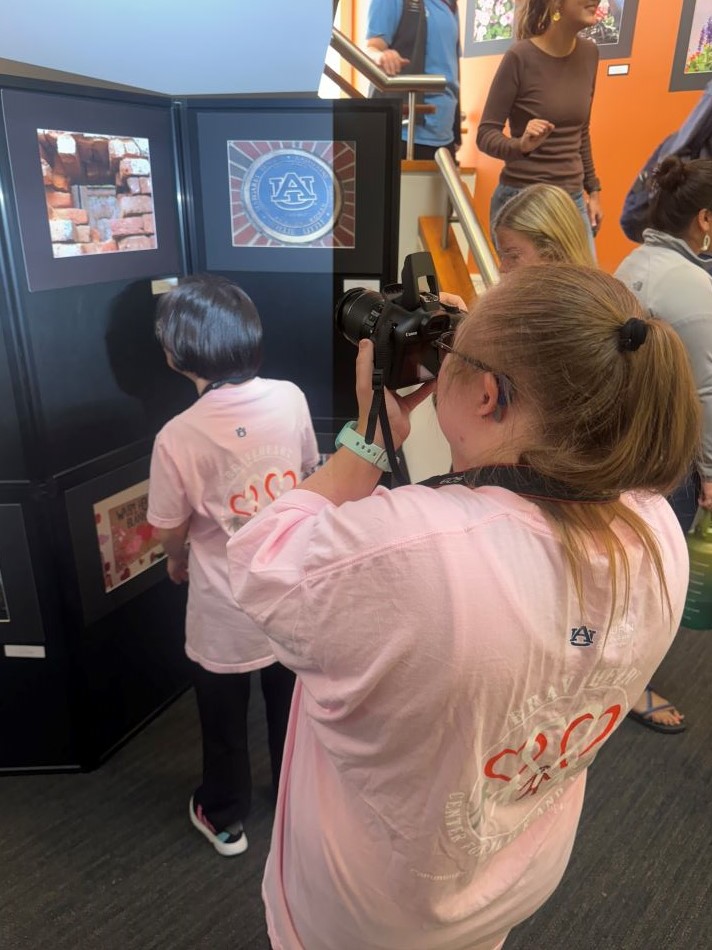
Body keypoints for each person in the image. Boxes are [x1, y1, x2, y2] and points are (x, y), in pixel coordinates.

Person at [227, 264, 699, 948]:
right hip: (511, 874)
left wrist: (367, 440)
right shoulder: (656, 532)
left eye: (453, 352)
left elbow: (258, 561)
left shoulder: (410, 551)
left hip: (371, 908)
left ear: (487, 395)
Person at [493, 183, 686, 734]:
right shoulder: (550, 308)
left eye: (513, 256)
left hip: (579, 487)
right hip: (555, 485)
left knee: (591, 599)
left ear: (551, 252)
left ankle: (618, 679)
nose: (505, 269)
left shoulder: (586, 324)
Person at [147, 275, 319, 857]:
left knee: (222, 718)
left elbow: (169, 528)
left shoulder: (178, 436)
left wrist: (175, 563)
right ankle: (298, 798)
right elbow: (307, 471)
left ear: (178, 353)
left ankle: (224, 815)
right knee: (290, 706)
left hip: (224, 604)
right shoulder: (292, 396)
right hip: (289, 593)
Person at [616, 155, 712, 718]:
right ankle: (632, 689)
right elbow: (706, 393)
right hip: (666, 461)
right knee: (654, 584)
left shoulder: (635, 262)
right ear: (703, 218)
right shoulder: (691, 287)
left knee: (633, 576)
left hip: (630, 448)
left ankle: (618, 678)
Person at [476, 0, 603, 242]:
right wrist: (520, 146)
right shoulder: (519, 57)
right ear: (557, 4)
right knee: (533, 281)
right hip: (523, 198)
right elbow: (485, 134)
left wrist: (594, 191)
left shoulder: (590, 53)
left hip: (571, 199)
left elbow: (581, 131)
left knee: (581, 279)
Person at [365, 0, 461, 159]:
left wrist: (456, 131)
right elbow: (371, 49)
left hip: (444, 134)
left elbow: (453, 68)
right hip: (401, 131)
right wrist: (382, 56)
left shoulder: (450, 4)